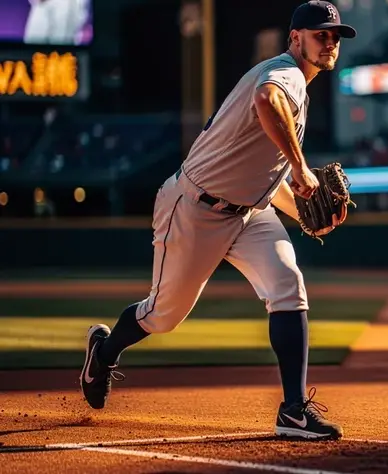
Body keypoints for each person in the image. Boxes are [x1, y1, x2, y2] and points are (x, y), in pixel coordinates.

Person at [79, 1, 356, 441]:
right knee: (163, 316)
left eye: (336, 36)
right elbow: (267, 100)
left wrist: (305, 212)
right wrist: (303, 169)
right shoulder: (283, 74)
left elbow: (270, 172)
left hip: (250, 211)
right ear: (295, 38)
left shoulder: (298, 89)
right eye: (321, 33)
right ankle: (105, 349)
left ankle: (293, 411)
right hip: (194, 208)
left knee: (288, 287)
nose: (330, 42)